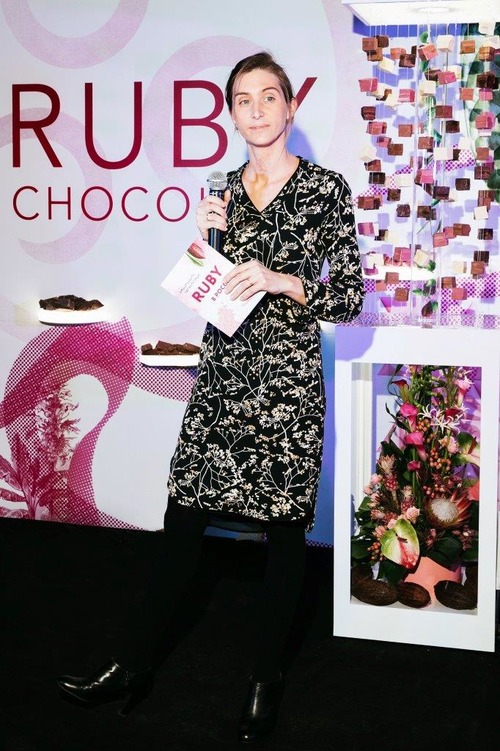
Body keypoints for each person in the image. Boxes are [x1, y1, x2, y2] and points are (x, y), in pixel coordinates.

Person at [57, 51, 365, 744]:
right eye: (242, 100)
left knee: (284, 533)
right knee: (182, 519)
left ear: (291, 106)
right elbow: (212, 291)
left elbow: (347, 297)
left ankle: (265, 680)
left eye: (268, 97)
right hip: (223, 377)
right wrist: (206, 245)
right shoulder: (221, 187)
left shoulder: (325, 189)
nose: (256, 110)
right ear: (230, 114)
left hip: (286, 387)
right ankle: (132, 664)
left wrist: (281, 279)